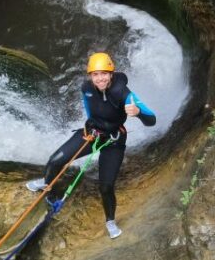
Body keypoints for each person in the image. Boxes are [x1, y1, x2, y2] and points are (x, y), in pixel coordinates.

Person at [27, 52, 156, 239]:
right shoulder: (86, 88)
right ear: (90, 76)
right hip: (92, 134)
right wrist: (89, 128)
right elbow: (90, 109)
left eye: (104, 73)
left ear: (111, 74)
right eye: (95, 74)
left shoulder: (123, 93)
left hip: (113, 140)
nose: (100, 78)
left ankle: (110, 221)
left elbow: (151, 120)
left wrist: (137, 113)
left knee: (106, 186)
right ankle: (47, 184)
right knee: (55, 160)